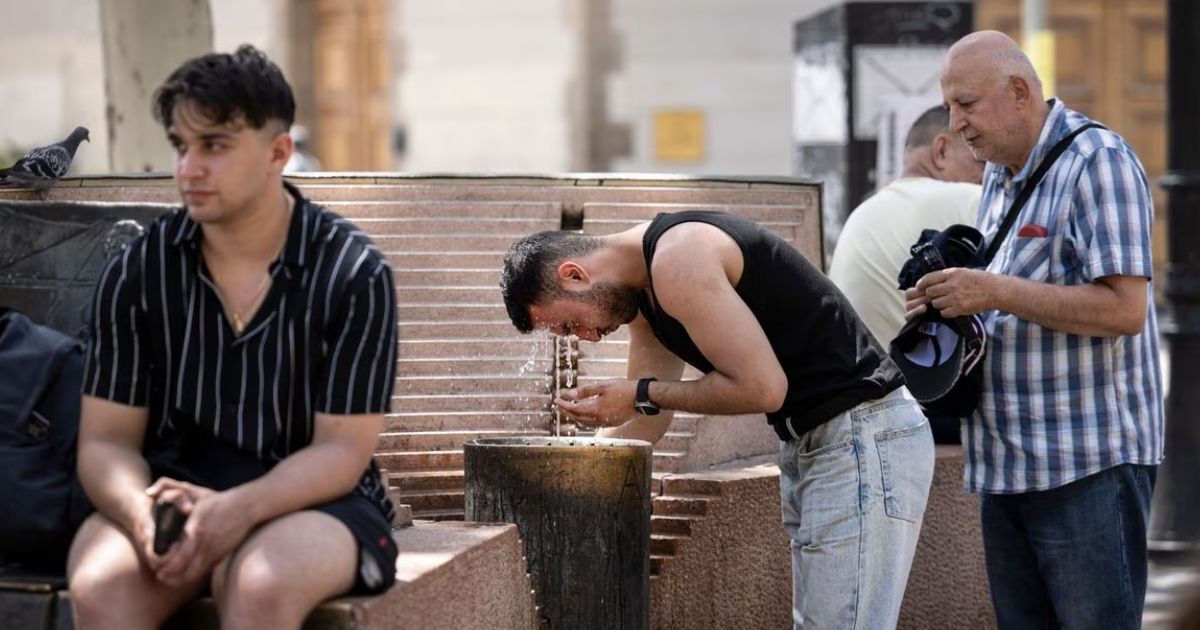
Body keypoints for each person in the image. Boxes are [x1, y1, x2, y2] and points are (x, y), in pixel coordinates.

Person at [67, 45, 399, 629]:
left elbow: (341, 452)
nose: (187, 169)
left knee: (258, 585)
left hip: (316, 500)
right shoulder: (140, 269)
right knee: (101, 585)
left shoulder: (354, 272)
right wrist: (140, 515)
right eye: (180, 146)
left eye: (214, 146)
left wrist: (239, 510)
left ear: (278, 153)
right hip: (173, 489)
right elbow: (106, 442)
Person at [500, 210, 934, 628]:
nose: (589, 337)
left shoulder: (678, 257)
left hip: (861, 434)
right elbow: (648, 422)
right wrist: (572, 473)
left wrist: (638, 394)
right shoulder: (647, 295)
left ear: (574, 274)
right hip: (820, 443)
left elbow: (763, 388)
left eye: (573, 323)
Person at [904, 31, 1163, 629]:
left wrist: (993, 290)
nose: (956, 122)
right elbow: (1009, 297)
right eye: (949, 106)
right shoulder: (998, 172)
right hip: (1008, 463)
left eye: (966, 104)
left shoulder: (1099, 161)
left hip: (1086, 465)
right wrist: (949, 301)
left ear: (1019, 91)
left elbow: (1125, 310)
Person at [829, 104, 985, 443]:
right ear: (941, 150)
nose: (988, 174)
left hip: (852, 409)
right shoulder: (969, 199)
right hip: (919, 412)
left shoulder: (863, 211)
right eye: (979, 161)